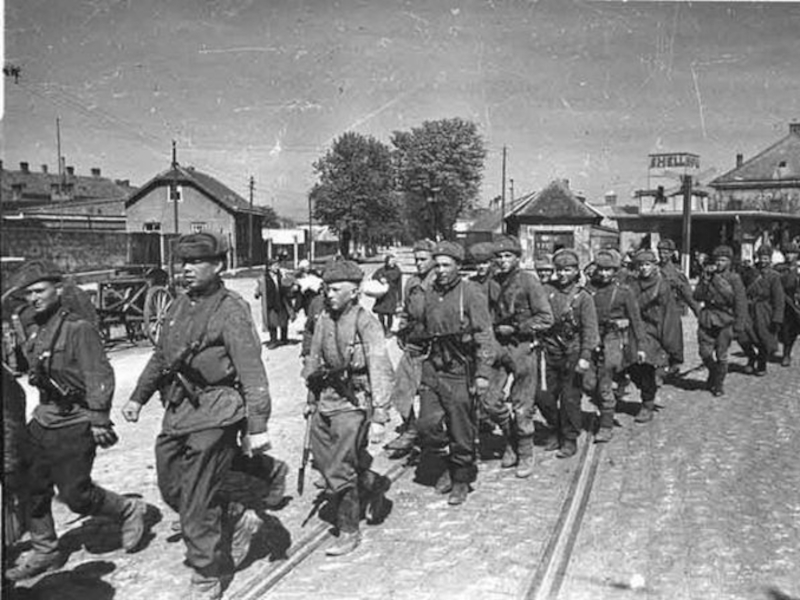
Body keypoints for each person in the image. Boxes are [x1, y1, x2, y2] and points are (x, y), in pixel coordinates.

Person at [122, 232, 272, 600]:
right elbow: (162, 356)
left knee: (197, 497)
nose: (186, 269)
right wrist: (138, 397)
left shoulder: (231, 309)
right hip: (180, 409)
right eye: (183, 262)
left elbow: (252, 370)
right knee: (172, 486)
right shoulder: (178, 305)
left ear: (217, 265)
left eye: (196, 262)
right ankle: (235, 515)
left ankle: (206, 575)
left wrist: (257, 425)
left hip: (218, 409)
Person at [5, 260, 147, 582]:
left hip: (76, 419)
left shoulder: (77, 329)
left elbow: (99, 374)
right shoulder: (34, 326)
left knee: (76, 495)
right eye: (29, 293)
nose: (34, 298)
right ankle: (45, 549)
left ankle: (128, 509)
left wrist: (99, 419)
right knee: (30, 482)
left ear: (58, 290)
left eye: (40, 291)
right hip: (44, 417)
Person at [301, 260, 395, 556]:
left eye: (335, 289)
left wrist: (380, 415)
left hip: (355, 401)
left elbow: (380, 367)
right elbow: (314, 361)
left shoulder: (366, 322)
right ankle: (372, 483)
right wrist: (311, 399)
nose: (328, 294)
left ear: (354, 292)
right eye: (327, 288)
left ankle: (348, 530)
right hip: (326, 398)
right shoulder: (323, 319)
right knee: (324, 461)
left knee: (339, 467)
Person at [412, 241, 496, 504]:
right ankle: (448, 458)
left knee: (461, 426)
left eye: (446, 265)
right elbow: (420, 324)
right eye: (437, 265)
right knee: (426, 425)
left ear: (458, 266)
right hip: (433, 367)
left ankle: (460, 476)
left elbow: (484, 334)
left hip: (460, 368)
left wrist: (483, 373)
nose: (440, 270)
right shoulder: (429, 292)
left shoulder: (470, 293)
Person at [485, 236, 553, 477]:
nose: (503, 260)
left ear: (517, 258)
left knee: (522, 405)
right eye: (499, 256)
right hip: (497, 347)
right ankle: (511, 438)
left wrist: (517, 328)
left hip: (523, 347)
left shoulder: (529, 281)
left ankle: (525, 452)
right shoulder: (491, 282)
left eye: (508, 256)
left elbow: (546, 318)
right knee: (489, 400)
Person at [539, 249, 599, 458]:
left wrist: (585, 356)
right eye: (560, 270)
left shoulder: (583, 297)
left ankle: (569, 438)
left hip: (573, 352)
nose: (563, 274)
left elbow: (590, 329)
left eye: (568, 270)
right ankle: (555, 427)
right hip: (549, 350)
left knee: (570, 398)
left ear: (576, 271)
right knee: (544, 396)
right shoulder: (546, 290)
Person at [384, 239, 438, 459]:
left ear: (434, 259)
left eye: (423, 259)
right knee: (401, 389)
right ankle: (410, 428)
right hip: (414, 343)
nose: (419, 263)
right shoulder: (412, 282)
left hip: (435, 346)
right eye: (416, 259)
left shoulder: (440, 280)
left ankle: (429, 438)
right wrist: (402, 329)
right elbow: (406, 310)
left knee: (429, 395)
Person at [584, 250, 645, 442]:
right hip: (591, 337)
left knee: (604, 382)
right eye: (601, 269)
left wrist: (641, 346)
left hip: (612, 338)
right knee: (588, 383)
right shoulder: (589, 289)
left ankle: (606, 426)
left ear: (615, 270)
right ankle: (610, 394)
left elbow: (636, 320)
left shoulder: (624, 291)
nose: (604, 273)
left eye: (608, 270)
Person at [626, 249, 674, 423]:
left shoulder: (662, 285)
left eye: (647, 264)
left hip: (653, 330)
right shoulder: (631, 284)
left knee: (645, 364)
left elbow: (669, 313)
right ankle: (650, 386)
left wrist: (669, 341)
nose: (644, 268)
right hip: (633, 328)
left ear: (654, 266)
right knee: (631, 367)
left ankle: (647, 405)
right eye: (640, 265)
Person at [692, 246, 747, 396]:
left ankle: (718, 384)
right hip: (707, 318)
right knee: (704, 353)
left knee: (721, 354)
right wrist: (705, 280)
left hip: (725, 319)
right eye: (717, 260)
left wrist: (739, 325)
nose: (719, 263)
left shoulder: (734, 279)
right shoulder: (708, 275)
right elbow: (697, 296)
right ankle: (714, 371)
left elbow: (740, 302)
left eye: (723, 260)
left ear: (729, 262)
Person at [657, 238, 700, 378]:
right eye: (660, 252)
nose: (662, 255)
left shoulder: (676, 272)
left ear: (671, 254)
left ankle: (674, 363)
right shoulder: (654, 268)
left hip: (671, 308)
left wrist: (698, 311)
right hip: (656, 308)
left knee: (672, 338)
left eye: (665, 252)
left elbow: (687, 293)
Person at [739, 245, 785, 376]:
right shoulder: (750, 272)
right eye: (761, 258)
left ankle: (761, 363)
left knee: (763, 338)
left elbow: (778, 298)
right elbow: (741, 289)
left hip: (765, 310)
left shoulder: (774, 276)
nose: (763, 261)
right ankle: (751, 357)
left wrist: (777, 317)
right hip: (749, 309)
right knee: (743, 336)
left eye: (766, 258)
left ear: (770, 259)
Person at [256, 258, 295, 348]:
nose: (277, 267)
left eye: (278, 265)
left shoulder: (281, 276)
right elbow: (260, 287)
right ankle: (273, 340)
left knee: (284, 321)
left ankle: (284, 339)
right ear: (269, 267)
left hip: (282, 301)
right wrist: (257, 293)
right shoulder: (264, 278)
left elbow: (290, 282)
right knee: (272, 323)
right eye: (275, 265)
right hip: (271, 303)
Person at [776, 242, 800, 367]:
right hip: (783, 302)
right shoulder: (779, 268)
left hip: (796, 302)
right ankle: (785, 353)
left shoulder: (799, 269)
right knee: (785, 329)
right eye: (786, 253)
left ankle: (788, 352)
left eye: (792, 253)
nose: (789, 256)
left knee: (794, 329)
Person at [371, 253, 403, 336]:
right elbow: (374, 276)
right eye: (390, 261)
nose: (392, 263)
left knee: (390, 313)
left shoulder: (397, 271)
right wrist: (380, 279)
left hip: (391, 294)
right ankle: (382, 326)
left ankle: (388, 329)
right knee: (380, 312)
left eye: (393, 261)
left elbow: (399, 286)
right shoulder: (382, 270)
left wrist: (400, 299)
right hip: (382, 294)